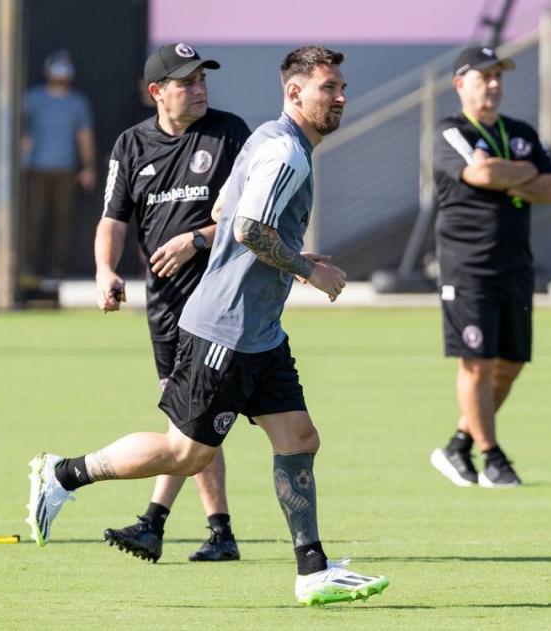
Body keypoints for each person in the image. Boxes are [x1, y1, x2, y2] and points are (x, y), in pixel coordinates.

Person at [27, 45, 389, 606]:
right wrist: (304, 271)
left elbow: (223, 210)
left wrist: (294, 252)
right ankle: (65, 474)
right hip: (225, 331)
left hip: (260, 333)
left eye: (342, 86)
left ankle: (313, 569)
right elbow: (246, 227)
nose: (341, 97)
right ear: (295, 92)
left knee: (300, 439)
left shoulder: (266, 137)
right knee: (186, 454)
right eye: (328, 89)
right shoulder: (285, 154)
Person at [94, 43, 251, 563]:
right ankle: (214, 531)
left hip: (223, 301)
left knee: (192, 422)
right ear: (157, 92)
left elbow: (252, 215)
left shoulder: (230, 134)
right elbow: (113, 219)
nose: (201, 88)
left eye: (203, 78)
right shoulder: (130, 145)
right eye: (187, 82)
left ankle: (159, 522)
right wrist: (105, 269)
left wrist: (198, 239)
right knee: (192, 423)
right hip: (164, 308)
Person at [429, 46, 551, 489]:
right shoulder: (451, 131)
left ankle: (459, 443)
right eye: (484, 76)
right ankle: (493, 457)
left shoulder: (520, 131)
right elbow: (481, 177)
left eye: (498, 76)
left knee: (511, 363)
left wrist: (507, 169)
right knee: (478, 364)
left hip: (515, 266)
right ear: (460, 84)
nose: (493, 84)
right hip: (468, 268)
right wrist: (523, 173)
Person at [22, 50, 96, 279]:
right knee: (33, 219)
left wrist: (88, 167)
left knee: (62, 221)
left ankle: (57, 269)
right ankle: (27, 268)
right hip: (35, 169)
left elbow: (84, 136)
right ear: (47, 70)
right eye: (58, 67)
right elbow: (18, 130)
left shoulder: (77, 103)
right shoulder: (32, 99)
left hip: (66, 169)